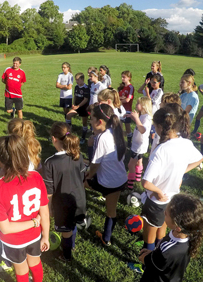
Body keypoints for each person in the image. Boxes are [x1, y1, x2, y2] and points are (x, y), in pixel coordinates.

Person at [120, 194, 203, 282]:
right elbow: (160, 257)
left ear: (177, 226)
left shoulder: (168, 251)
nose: (164, 212)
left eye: (167, 213)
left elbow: (152, 263)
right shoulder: (188, 236)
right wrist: (152, 254)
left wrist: (145, 257)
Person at [0, 135, 50, 282]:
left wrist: (33, 223)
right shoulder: (36, 177)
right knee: (35, 262)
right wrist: (44, 235)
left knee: (21, 268)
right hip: (34, 235)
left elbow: (6, 228)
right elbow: (44, 212)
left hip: (13, 241)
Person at [138, 104, 203, 253]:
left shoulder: (160, 150)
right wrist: (181, 173)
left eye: (155, 127)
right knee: (163, 224)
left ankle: (145, 261)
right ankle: (159, 250)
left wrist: (159, 192)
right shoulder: (186, 143)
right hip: (172, 198)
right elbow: (199, 159)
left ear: (161, 127)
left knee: (150, 232)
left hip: (156, 201)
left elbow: (146, 182)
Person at [84, 104, 127, 246]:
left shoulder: (102, 138)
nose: (90, 122)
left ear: (100, 122)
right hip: (120, 179)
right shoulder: (115, 131)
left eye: (91, 119)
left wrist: (89, 175)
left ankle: (78, 217)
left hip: (107, 182)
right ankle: (106, 239)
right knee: (111, 212)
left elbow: (94, 163)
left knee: (78, 182)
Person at [43, 122, 86, 261]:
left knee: (66, 232)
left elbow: (49, 191)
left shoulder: (50, 162)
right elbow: (82, 177)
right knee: (72, 224)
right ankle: (71, 245)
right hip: (79, 199)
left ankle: (67, 255)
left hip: (63, 204)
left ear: (54, 139)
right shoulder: (78, 155)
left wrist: (48, 209)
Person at [127, 97, 152, 191]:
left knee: (130, 165)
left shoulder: (147, 118)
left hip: (139, 146)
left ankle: (130, 184)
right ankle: (137, 178)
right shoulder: (143, 115)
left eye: (138, 103)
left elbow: (142, 130)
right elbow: (139, 124)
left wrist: (136, 118)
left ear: (144, 106)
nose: (136, 104)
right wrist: (133, 118)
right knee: (139, 161)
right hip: (139, 144)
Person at [66, 72, 90, 144]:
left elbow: (85, 99)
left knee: (84, 123)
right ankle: (69, 132)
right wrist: (73, 104)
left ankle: (83, 138)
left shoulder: (86, 88)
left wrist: (78, 106)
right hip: (76, 107)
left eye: (78, 79)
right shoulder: (76, 87)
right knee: (68, 115)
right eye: (76, 80)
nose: (77, 81)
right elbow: (75, 96)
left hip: (83, 108)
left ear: (82, 79)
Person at [118, 71, 135, 147]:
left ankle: (129, 142)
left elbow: (128, 100)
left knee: (128, 127)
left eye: (124, 77)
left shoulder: (130, 87)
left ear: (129, 78)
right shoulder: (121, 87)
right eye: (122, 77)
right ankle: (121, 141)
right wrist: (121, 99)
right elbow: (118, 97)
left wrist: (120, 101)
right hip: (120, 110)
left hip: (127, 110)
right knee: (120, 126)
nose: (122, 78)